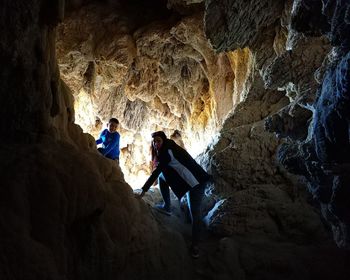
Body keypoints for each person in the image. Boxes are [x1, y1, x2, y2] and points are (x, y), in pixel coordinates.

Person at [137, 131, 211, 258]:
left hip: (196, 182)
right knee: (162, 177)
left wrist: (143, 191)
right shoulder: (169, 146)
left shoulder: (167, 152)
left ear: (164, 140)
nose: (156, 144)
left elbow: (156, 172)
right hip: (188, 179)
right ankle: (167, 206)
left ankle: (195, 245)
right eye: (154, 141)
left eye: (158, 141)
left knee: (195, 212)